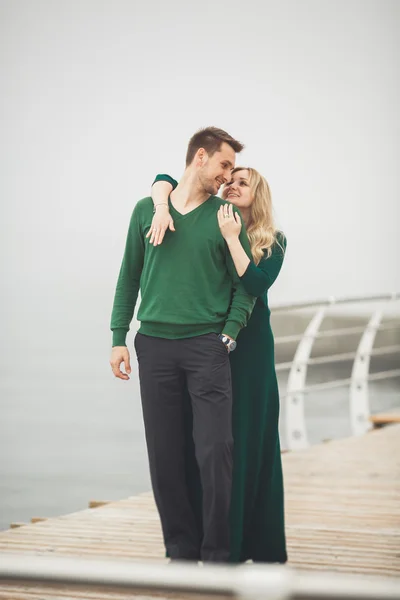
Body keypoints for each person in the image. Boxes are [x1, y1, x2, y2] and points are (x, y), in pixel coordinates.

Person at [109, 127, 255, 563]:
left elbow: (244, 287)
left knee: (215, 451)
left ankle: (216, 554)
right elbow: (128, 277)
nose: (227, 176)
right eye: (224, 164)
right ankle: (180, 551)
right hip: (153, 346)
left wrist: (228, 332)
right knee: (165, 455)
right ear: (200, 159)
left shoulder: (224, 216)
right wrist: (119, 337)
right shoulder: (144, 210)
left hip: (206, 348)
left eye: (232, 168)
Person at [149, 167, 288, 564]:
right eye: (229, 179)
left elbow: (256, 286)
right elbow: (164, 177)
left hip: (250, 350)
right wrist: (161, 201)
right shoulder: (206, 222)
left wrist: (233, 238)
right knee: (209, 445)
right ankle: (206, 541)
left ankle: (250, 543)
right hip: (206, 345)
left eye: (243, 182)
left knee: (246, 440)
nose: (232, 184)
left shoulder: (273, 240)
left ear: (257, 194)